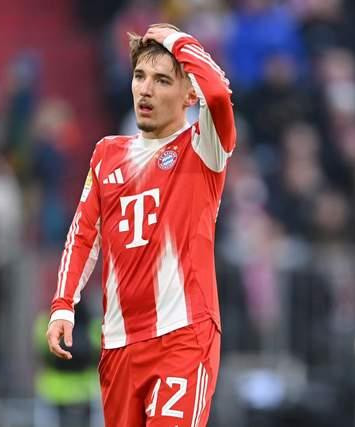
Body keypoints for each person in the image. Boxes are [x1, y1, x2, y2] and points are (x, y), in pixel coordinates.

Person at [46, 23, 236, 427]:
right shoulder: (107, 154)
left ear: (189, 95)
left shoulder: (203, 147)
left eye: (162, 80)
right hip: (118, 345)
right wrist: (63, 305)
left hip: (183, 336)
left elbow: (218, 93)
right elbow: (83, 235)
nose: (145, 90)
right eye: (139, 76)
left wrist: (174, 39)